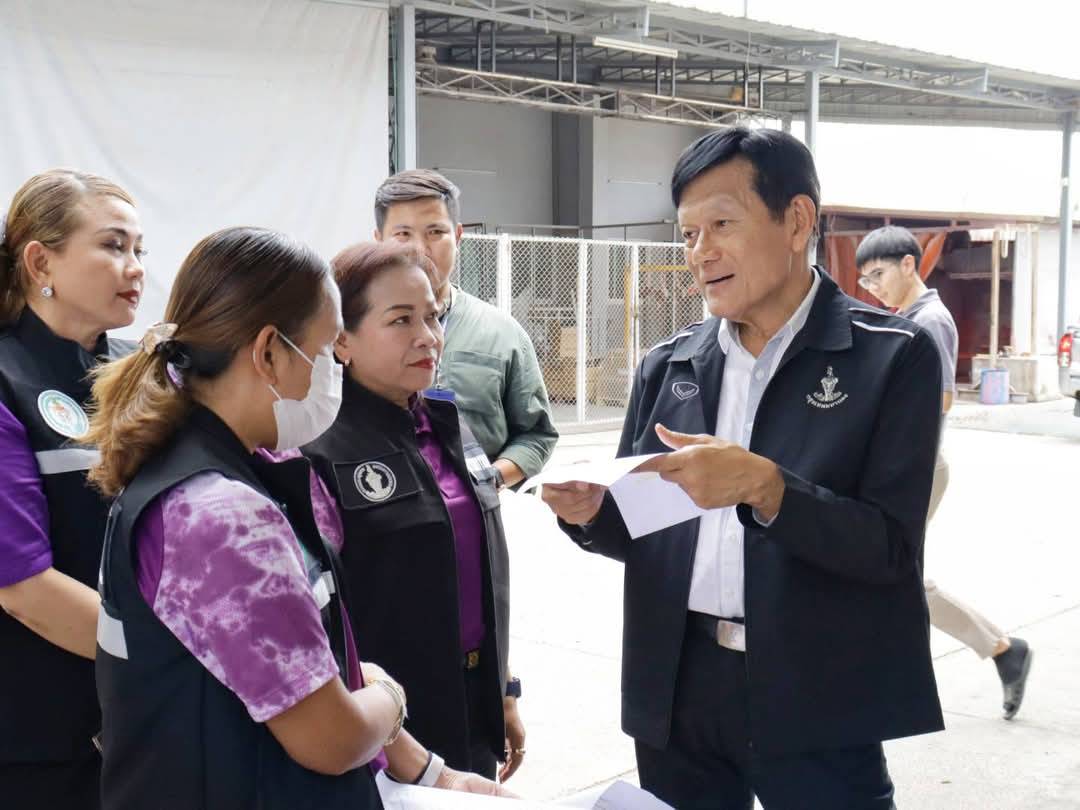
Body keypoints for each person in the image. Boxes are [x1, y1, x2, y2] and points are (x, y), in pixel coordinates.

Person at [541, 128, 945, 809]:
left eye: (722, 225)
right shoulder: (669, 363)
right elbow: (643, 532)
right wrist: (591, 516)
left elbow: (889, 549)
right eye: (689, 234)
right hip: (681, 687)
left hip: (818, 688)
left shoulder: (890, 357)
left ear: (797, 221)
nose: (701, 252)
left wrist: (767, 487)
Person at [85, 227, 506, 808]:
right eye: (327, 348)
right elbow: (330, 739)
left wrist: (431, 770)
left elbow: (306, 659)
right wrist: (389, 698)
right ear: (268, 353)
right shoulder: (221, 515)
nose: (334, 368)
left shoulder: (239, 466)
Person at [303, 242, 522, 783]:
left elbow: (477, 570)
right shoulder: (318, 449)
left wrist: (504, 689)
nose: (428, 336)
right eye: (401, 320)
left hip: (474, 699)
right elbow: (317, 621)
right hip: (387, 720)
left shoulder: (446, 423)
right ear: (342, 340)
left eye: (432, 316)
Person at [0, 169, 143, 807]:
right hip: (43, 734)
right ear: (40, 262)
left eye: (139, 249)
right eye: (113, 246)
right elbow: (24, 588)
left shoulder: (147, 373)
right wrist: (165, 659)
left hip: (143, 722)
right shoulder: (8, 379)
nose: (135, 267)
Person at [857, 225, 1033, 720]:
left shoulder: (929, 321)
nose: (873, 287)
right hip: (904, 469)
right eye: (866, 280)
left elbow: (942, 398)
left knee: (892, 575)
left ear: (908, 265)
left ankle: (999, 650)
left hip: (917, 471)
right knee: (892, 574)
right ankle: (1002, 650)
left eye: (878, 275)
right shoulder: (909, 318)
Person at [373, 169, 557, 489]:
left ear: (458, 236)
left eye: (435, 232)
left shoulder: (503, 335)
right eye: (402, 234)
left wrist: (488, 481)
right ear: (378, 241)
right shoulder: (350, 335)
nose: (420, 249)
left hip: (476, 514)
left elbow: (536, 435)